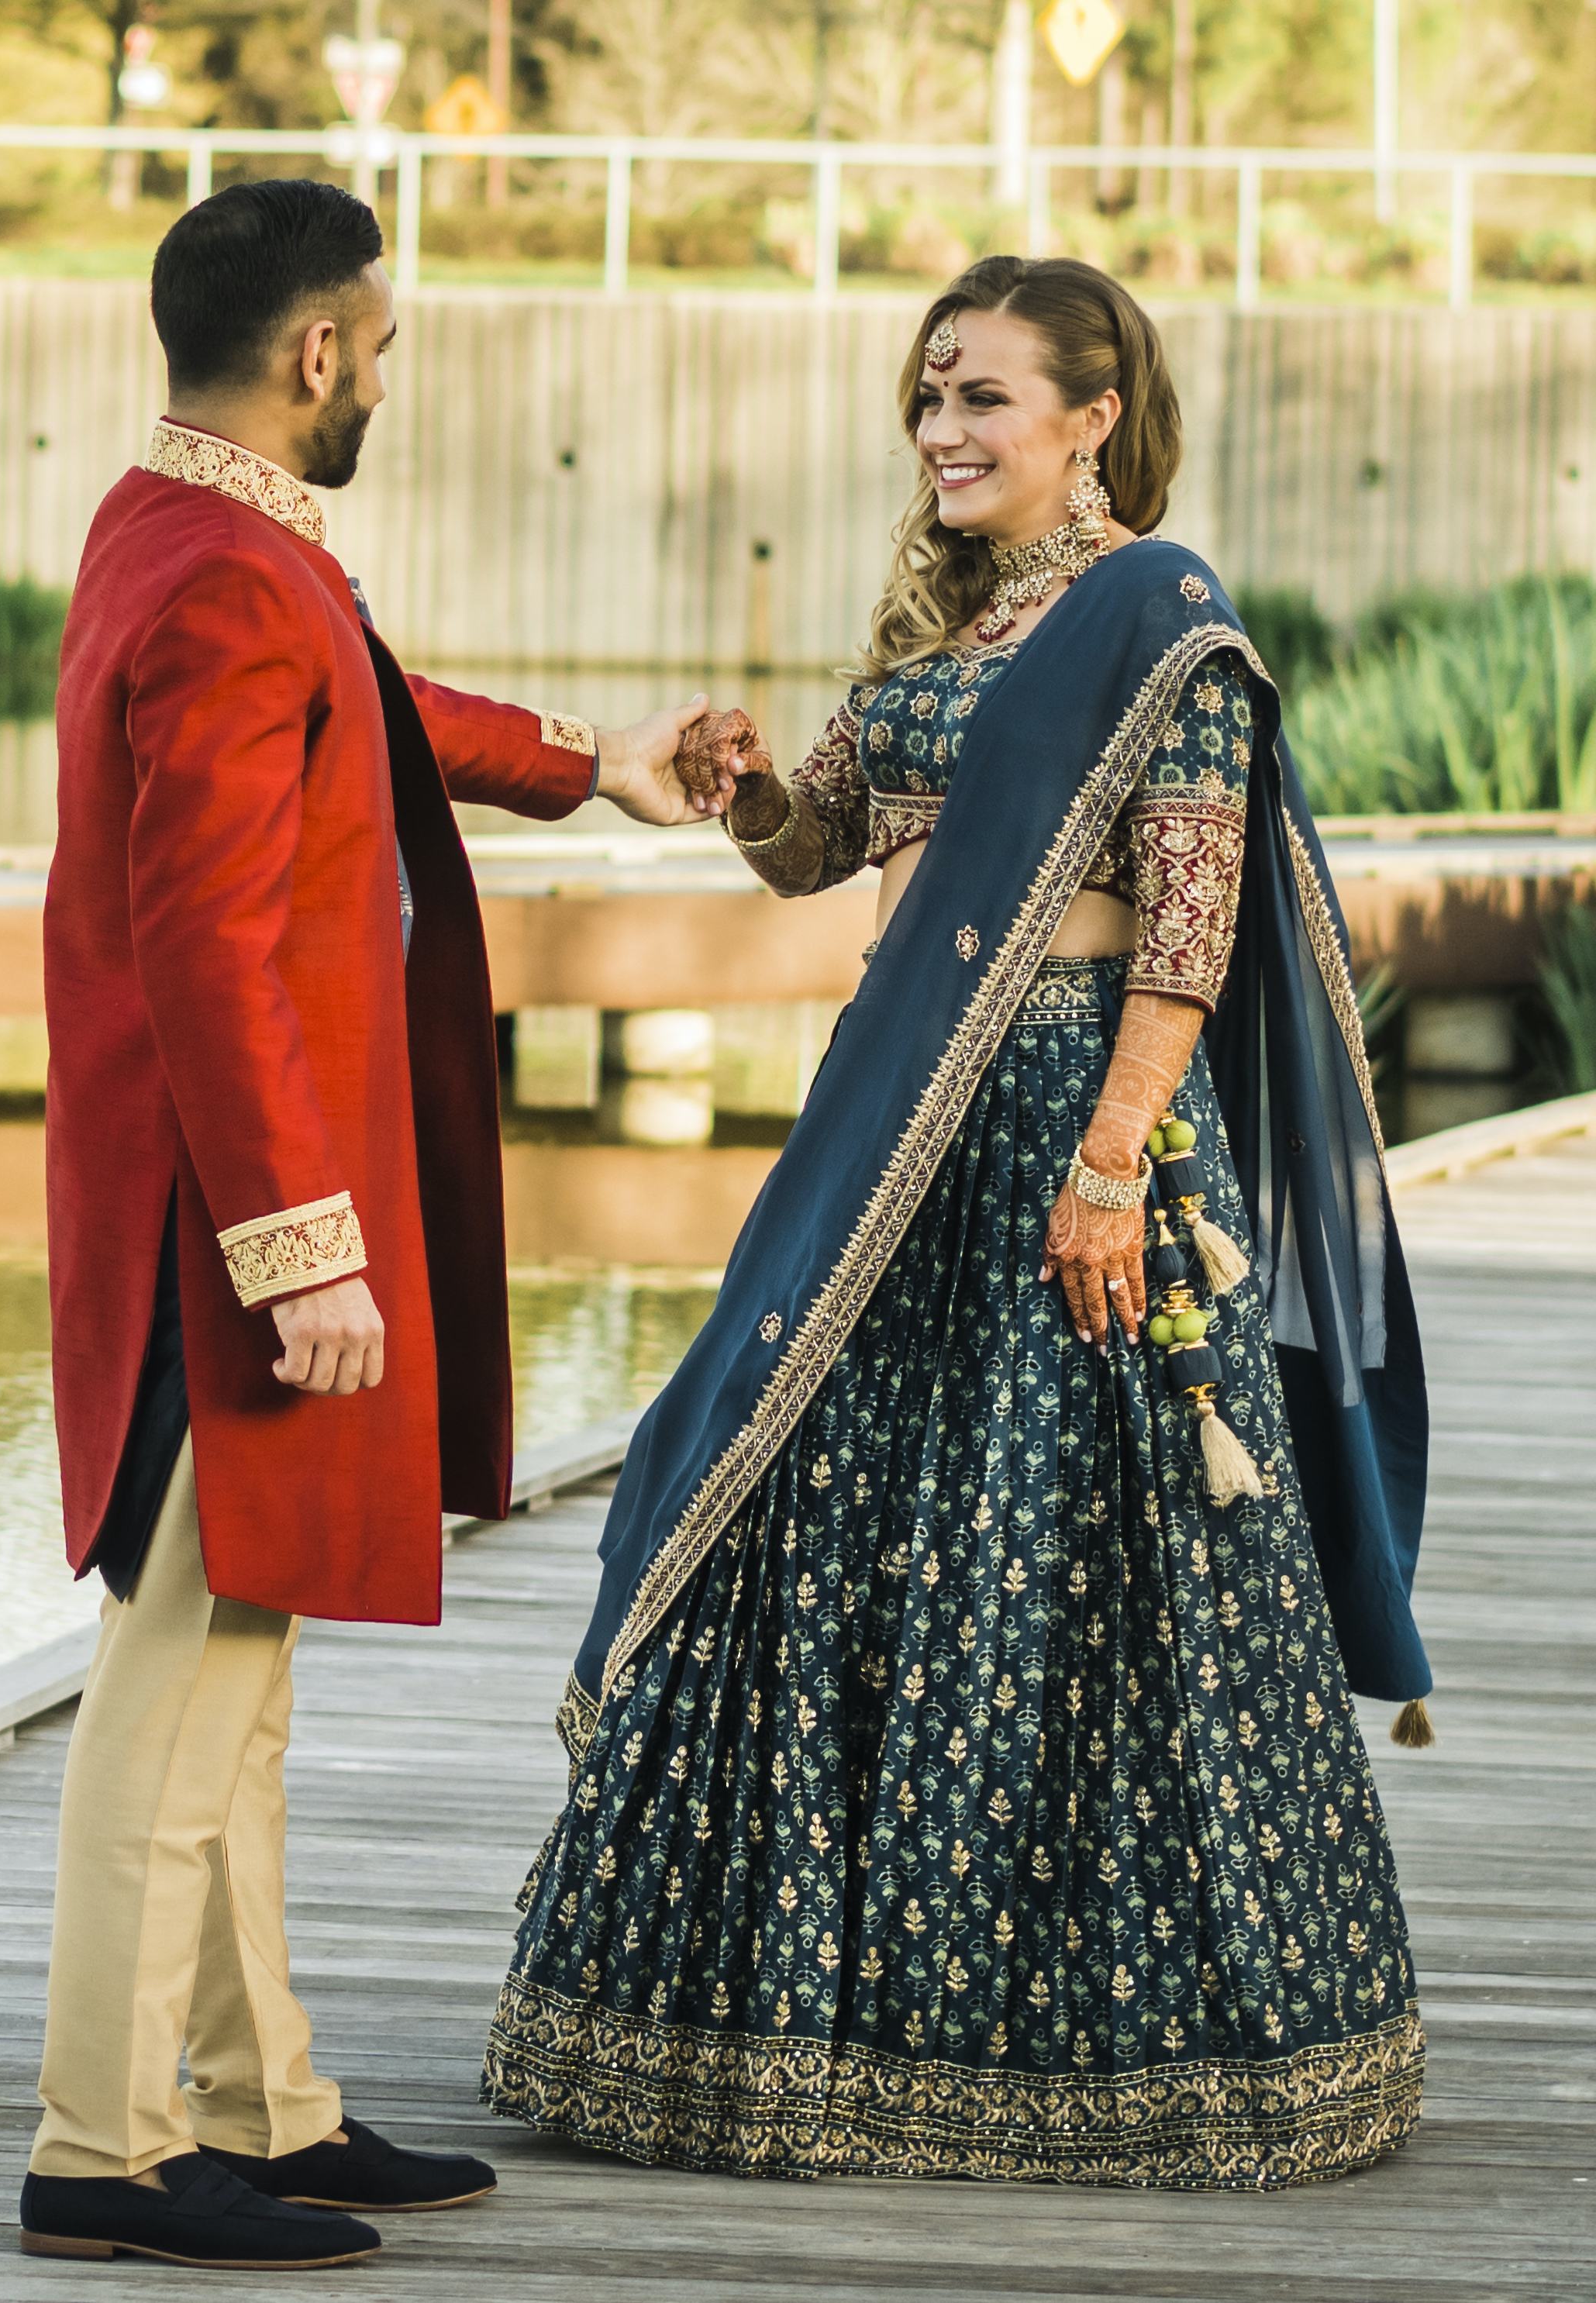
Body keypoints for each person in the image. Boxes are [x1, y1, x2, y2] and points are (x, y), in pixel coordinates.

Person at [484, 255, 1433, 2188]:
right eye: (928, 395)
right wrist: (745, 782)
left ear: (1090, 416)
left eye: (983, 397)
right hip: (897, 1133)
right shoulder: (947, 626)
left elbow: (1187, 920)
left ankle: (1099, 2053)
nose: (941, 430)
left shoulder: (1160, 620)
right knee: (823, 1508)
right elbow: (812, 853)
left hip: (1074, 1142)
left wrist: (1109, 1167)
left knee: (1074, 1550)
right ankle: (779, 2032)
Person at [22, 179, 722, 2269]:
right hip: (212, 1219)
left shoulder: (191, 537)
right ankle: (104, 2143)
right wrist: (298, 1241)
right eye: (384, 346)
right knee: (174, 1682)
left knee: (238, 1669)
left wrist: (605, 764)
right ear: (316, 349)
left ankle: (257, 2101)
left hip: (193, 1200)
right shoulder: (231, 575)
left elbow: (374, 704)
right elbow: (207, 941)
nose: (386, 379)